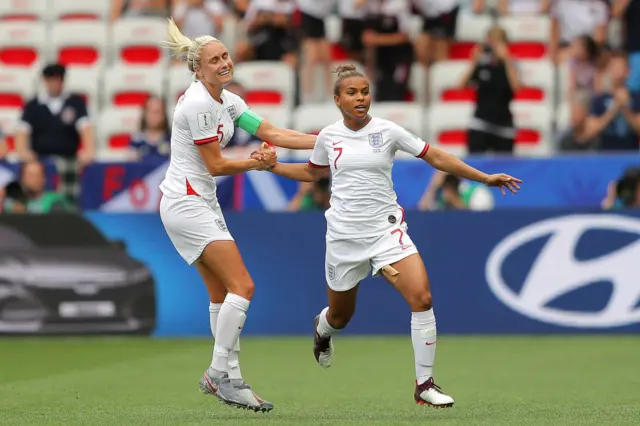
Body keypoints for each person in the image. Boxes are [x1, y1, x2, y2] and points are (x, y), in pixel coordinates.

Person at [253, 64, 522, 407]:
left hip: (386, 232)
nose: (360, 98)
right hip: (344, 238)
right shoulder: (328, 137)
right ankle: (322, 328)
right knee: (340, 317)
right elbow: (312, 172)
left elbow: (435, 156)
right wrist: (272, 166)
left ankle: (424, 385)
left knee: (422, 298)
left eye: (364, 91)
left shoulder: (389, 131)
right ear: (337, 100)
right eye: (351, 93)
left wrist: (483, 177)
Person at [158, 18, 315, 412]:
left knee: (220, 294)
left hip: (198, 201)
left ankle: (232, 380)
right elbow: (214, 165)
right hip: (186, 200)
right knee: (243, 287)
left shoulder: (229, 101)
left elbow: (274, 133)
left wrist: (331, 138)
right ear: (198, 69)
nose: (224, 63)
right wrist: (257, 163)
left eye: (226, 55)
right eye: (214, 60)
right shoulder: (196, 103)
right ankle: (217, 373)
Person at [459, 25, 521, 154]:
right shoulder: (482, 64)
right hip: (480, 122)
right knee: (475, 165)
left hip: (503, 123)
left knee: (505, 168)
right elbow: (461, 85)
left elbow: (516, 87)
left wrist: (506, 60)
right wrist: (474, 61)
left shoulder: (512, 64)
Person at [581, 51, 640, 151]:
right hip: (606, 156)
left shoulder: (636, 98)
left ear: (628, 71)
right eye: (614, 67)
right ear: (608, 70)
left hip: (631, 156)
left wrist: (625, 108)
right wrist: (614, 108)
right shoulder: (599, 100)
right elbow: (589, 132)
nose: (617, 71)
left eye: (620, 67)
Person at [129, 96, 172, 162]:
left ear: (164, 115)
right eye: (150, 111)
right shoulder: (136, 141)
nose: (154, 116)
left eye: (157, 112)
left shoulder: (172, 141)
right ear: (144, 114)